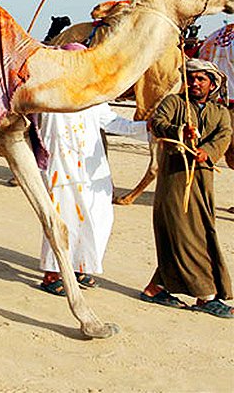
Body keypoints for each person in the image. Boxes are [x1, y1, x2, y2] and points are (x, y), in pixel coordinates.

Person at [38, 43, 149, 296]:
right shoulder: (45, 91)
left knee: (98, 216)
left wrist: (148, 127)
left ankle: (80, 266)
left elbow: (112, 122)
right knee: (61, 216)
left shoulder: (92, 94)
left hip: (90, 166)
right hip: (59, 164)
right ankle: (53, 272)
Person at [140, 58, 233, 318]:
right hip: (175, 183)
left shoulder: (220, 113)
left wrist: (207, 151)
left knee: (197, 233)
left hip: (202, 184)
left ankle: (155, 288)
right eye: (191, 78)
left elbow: (223, 135)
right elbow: (158, 123)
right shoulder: (174, 103)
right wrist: (180, 131)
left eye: (201, 79)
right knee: (187, 236)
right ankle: (206, 296)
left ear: (212, 84)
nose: (194, 83)